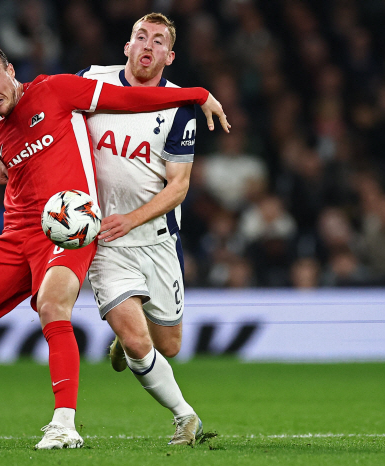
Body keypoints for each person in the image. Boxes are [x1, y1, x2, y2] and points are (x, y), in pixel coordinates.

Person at [0, 43, 229, 451]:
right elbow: (12, 165)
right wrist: (0, 154)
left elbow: (129, 99)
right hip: (16, 238)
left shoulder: (57, 90)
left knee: (53, 306)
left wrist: (196, 93)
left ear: (10, 71)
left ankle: (64, 426)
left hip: (69, 232)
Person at [79, 13, 228, 446]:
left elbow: (178, 186)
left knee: (171, 345)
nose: (147, 44)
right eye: (140, 36)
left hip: (158, 241)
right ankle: (187, 418)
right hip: (106, 241)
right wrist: (5, 140)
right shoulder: (92, 81)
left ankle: (129, 345)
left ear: (169, 55)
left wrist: (133, 217)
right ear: (126, 46)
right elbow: (39, 102)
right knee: (137, 337)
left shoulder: (180, 106)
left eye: (157, 40)